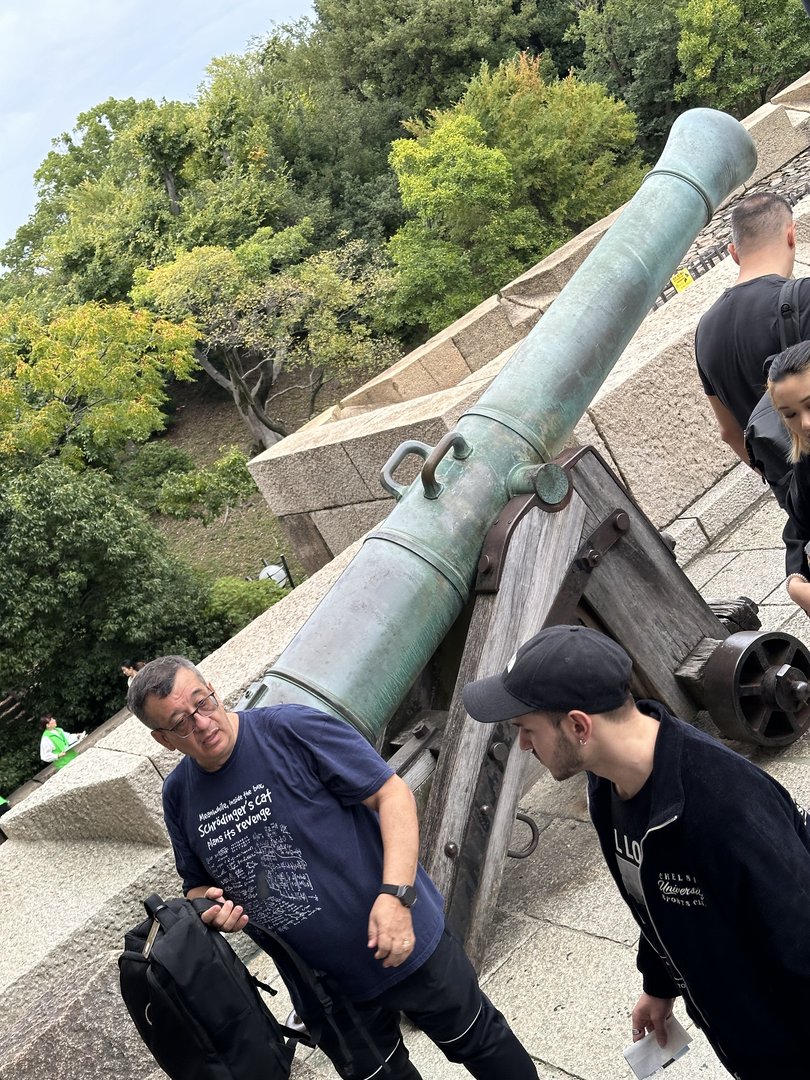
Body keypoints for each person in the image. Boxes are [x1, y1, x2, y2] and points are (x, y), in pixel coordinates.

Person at [127, 656, 537, 1080]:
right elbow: (197, 886)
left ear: (212, 688)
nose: (203, 722)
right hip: (323, 992)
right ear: (163, 740)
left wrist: (397, 896)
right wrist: (211, 909)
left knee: (482, 1042)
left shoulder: (292, 729)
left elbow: (392, 795)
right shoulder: (178, 795)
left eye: (204, 702)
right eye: (181, 722)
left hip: (404, 938)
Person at [462, 624, 810, 1080]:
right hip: (737, 1032)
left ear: (578, 725)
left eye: (526, 729)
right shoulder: (608, 786)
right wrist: (659, 984)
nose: (524, 745)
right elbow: (653, 899)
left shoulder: (727, 808)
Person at [695, 191, 810, 466]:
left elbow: (729, 432)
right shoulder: (804, 297)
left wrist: (782, 484)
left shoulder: (704, 333)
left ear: (733, 253)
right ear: (791, 235)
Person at [767, 340, 810, 614]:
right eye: (791, 414)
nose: (805, 423)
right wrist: (796, 581)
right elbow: (797, 530)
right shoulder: (806, 464)